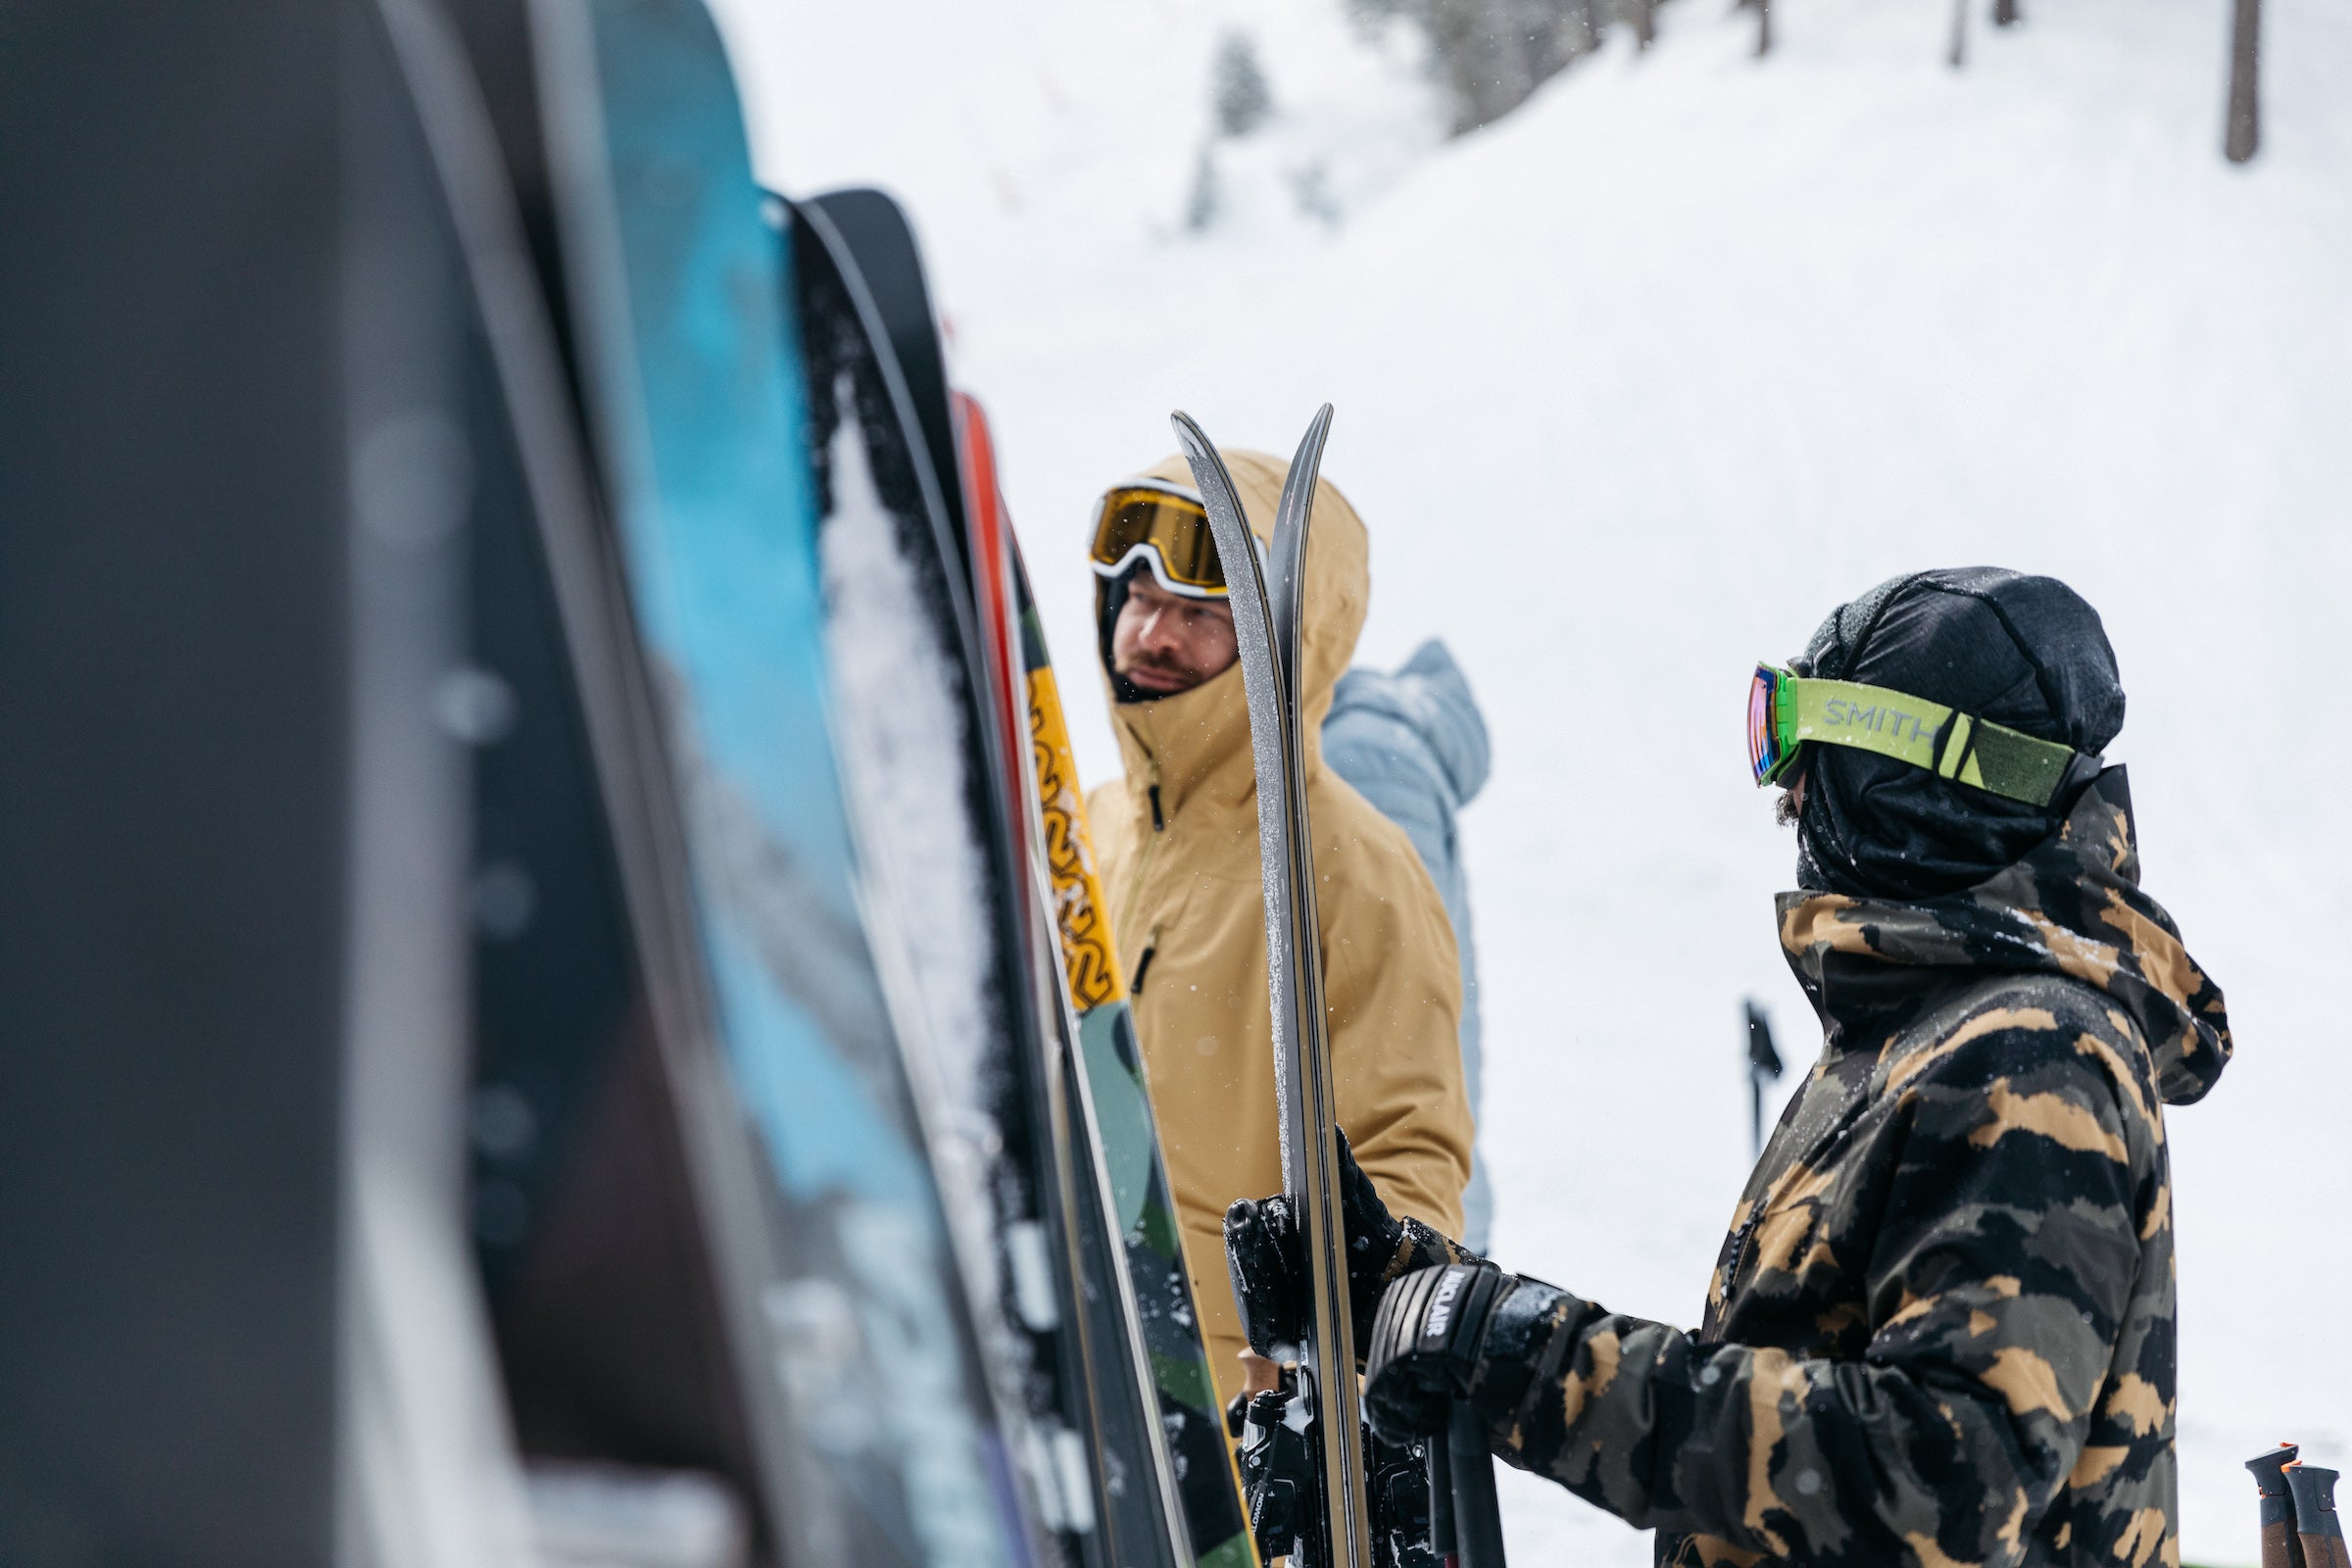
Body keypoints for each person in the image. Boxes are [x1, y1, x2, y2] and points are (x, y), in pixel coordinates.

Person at [1228, 567, 2230, 1568]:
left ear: (1906, 778)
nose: (1783, 785)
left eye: (1802, 739)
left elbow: (1943, 1476)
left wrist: (1528, 1358)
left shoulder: (2034, 1057)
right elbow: (1783, 1391)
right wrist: (1408, 1295)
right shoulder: (1926, 1038)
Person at [1083, 452, 1474, 1413]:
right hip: (1072, 1388)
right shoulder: (1087, 830)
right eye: (1138, 594)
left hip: (1236, 1438)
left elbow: (1404, 1162)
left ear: (1286, 643)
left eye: (1203, 612)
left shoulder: (1351, 871)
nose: (1154, 632)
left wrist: (1325, 1403)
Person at [1323, 640, 1496, 1252]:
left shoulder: (1364, 756)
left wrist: (1397, 1251)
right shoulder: (1374, 748)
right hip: (1421, 1185)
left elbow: (1394, 1015)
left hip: (1385, 1205)